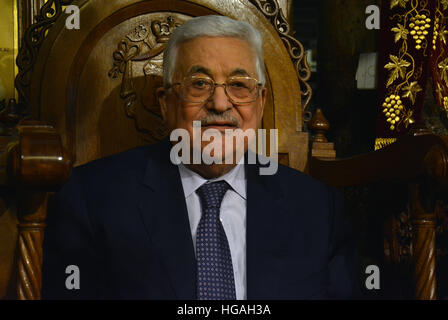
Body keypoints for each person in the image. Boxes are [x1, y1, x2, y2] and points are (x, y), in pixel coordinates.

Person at [42, 15, 357, 299]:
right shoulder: (92, 199)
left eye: (238, 85)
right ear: (166, 103)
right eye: (199, 84)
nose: (220, 103)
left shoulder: (317, 209)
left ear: (260, 103)